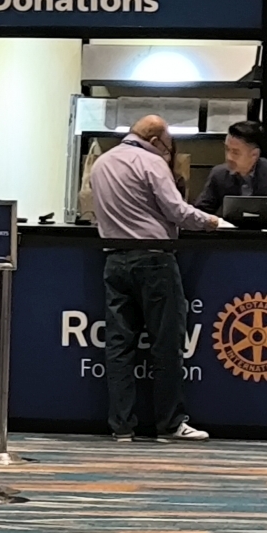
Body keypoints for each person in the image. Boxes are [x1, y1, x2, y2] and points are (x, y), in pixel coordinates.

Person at [90, 115, 223, 443]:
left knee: (119, 346)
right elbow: (177, 211)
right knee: (166, 344)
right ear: (155, 141)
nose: (169, 153)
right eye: (169, 147)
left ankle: (122, 427)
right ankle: (169, 424)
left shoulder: (101, 164)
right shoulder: (151, 162)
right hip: (154, 260)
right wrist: (214, 222)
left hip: (114, 259)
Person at [195, 119, 267, 221]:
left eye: (235, 152)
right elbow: (202, 211)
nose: (229, 157)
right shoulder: (219, 174)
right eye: (227, 149)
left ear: (254, 155)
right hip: (228, 231)